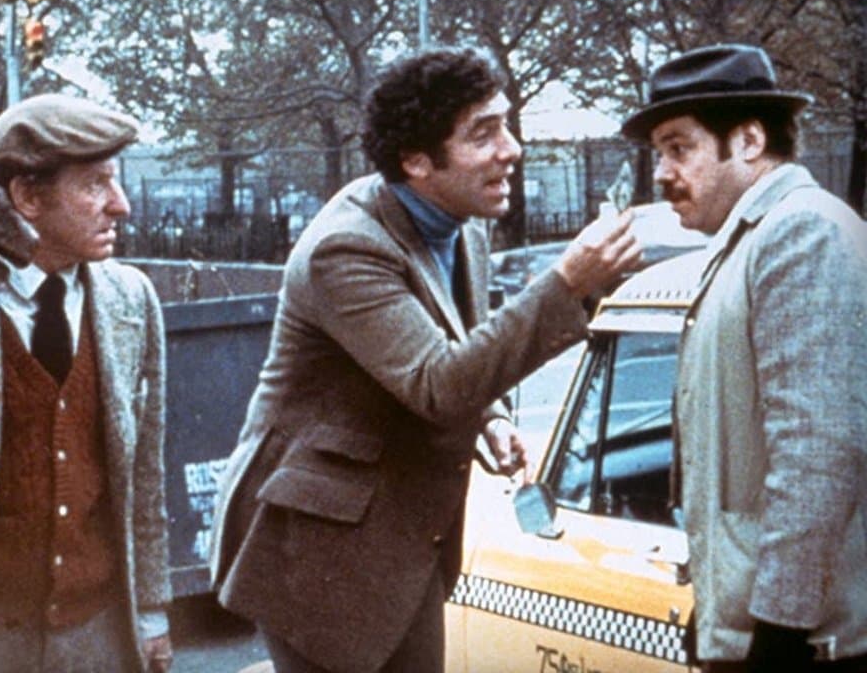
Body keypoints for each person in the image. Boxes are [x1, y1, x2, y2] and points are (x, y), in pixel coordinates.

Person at [208, 45, 643, 673]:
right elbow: (436, 383)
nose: (512, 149)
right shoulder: (345, 249)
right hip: (317, 553)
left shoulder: (463, 221)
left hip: (399, 540)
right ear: (416, 161)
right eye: (483, 134)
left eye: (506, 125)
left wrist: (490, 416)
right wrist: (566, 283)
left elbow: (449, 341)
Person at [0, 93, 174, 673]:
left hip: (98, 635)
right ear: (26, 196)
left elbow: (143, 474)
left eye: (116, 181)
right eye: (96, 184)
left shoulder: (131, 300)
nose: (121, 205)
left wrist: (151, 610)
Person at [621, 43, 867, 672]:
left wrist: (777, 631)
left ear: (750, 140)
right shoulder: (751, 239)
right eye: (658, 153)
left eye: (679, 148)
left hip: (803, 645)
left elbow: (818, 450)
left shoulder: (801, 232)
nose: (662, 173)